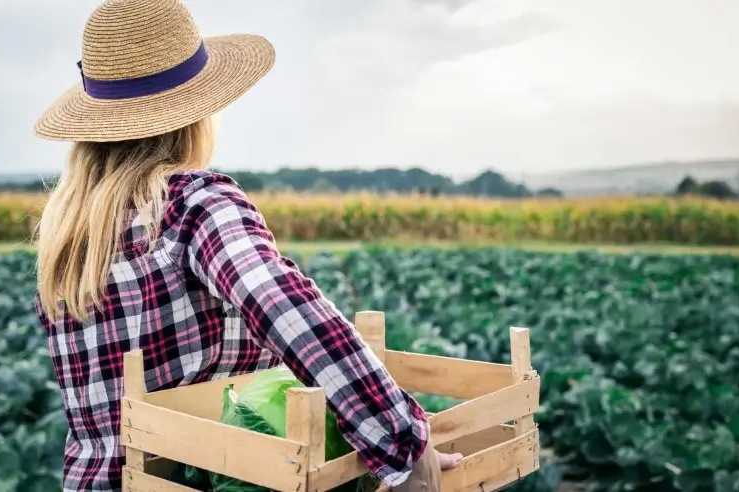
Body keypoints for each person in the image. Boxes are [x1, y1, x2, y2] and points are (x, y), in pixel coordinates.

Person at [32, 0, 462, 490]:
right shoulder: (192, 204)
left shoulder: (68, 236)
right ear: (196, 115)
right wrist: (402, 440)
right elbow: (284, 307)